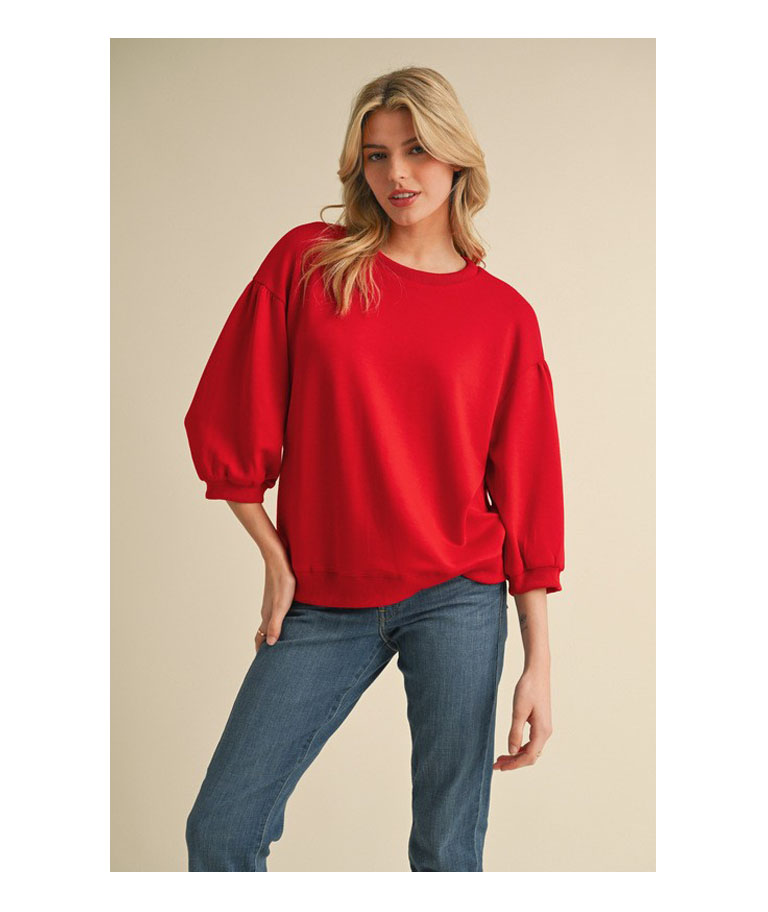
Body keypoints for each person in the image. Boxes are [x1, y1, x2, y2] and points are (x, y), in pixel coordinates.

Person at [182, 66, 565, 872]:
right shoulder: (311, 263)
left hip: (457, 596)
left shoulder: (504, 317)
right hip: (323, 597)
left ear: (457, 158)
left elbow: (527, 491)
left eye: (418, 150)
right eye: (377, 155)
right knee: (222, 830)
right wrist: (274, 557)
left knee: (447, 853)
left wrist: (539, 662)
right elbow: (228, 413)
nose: (398, 173)